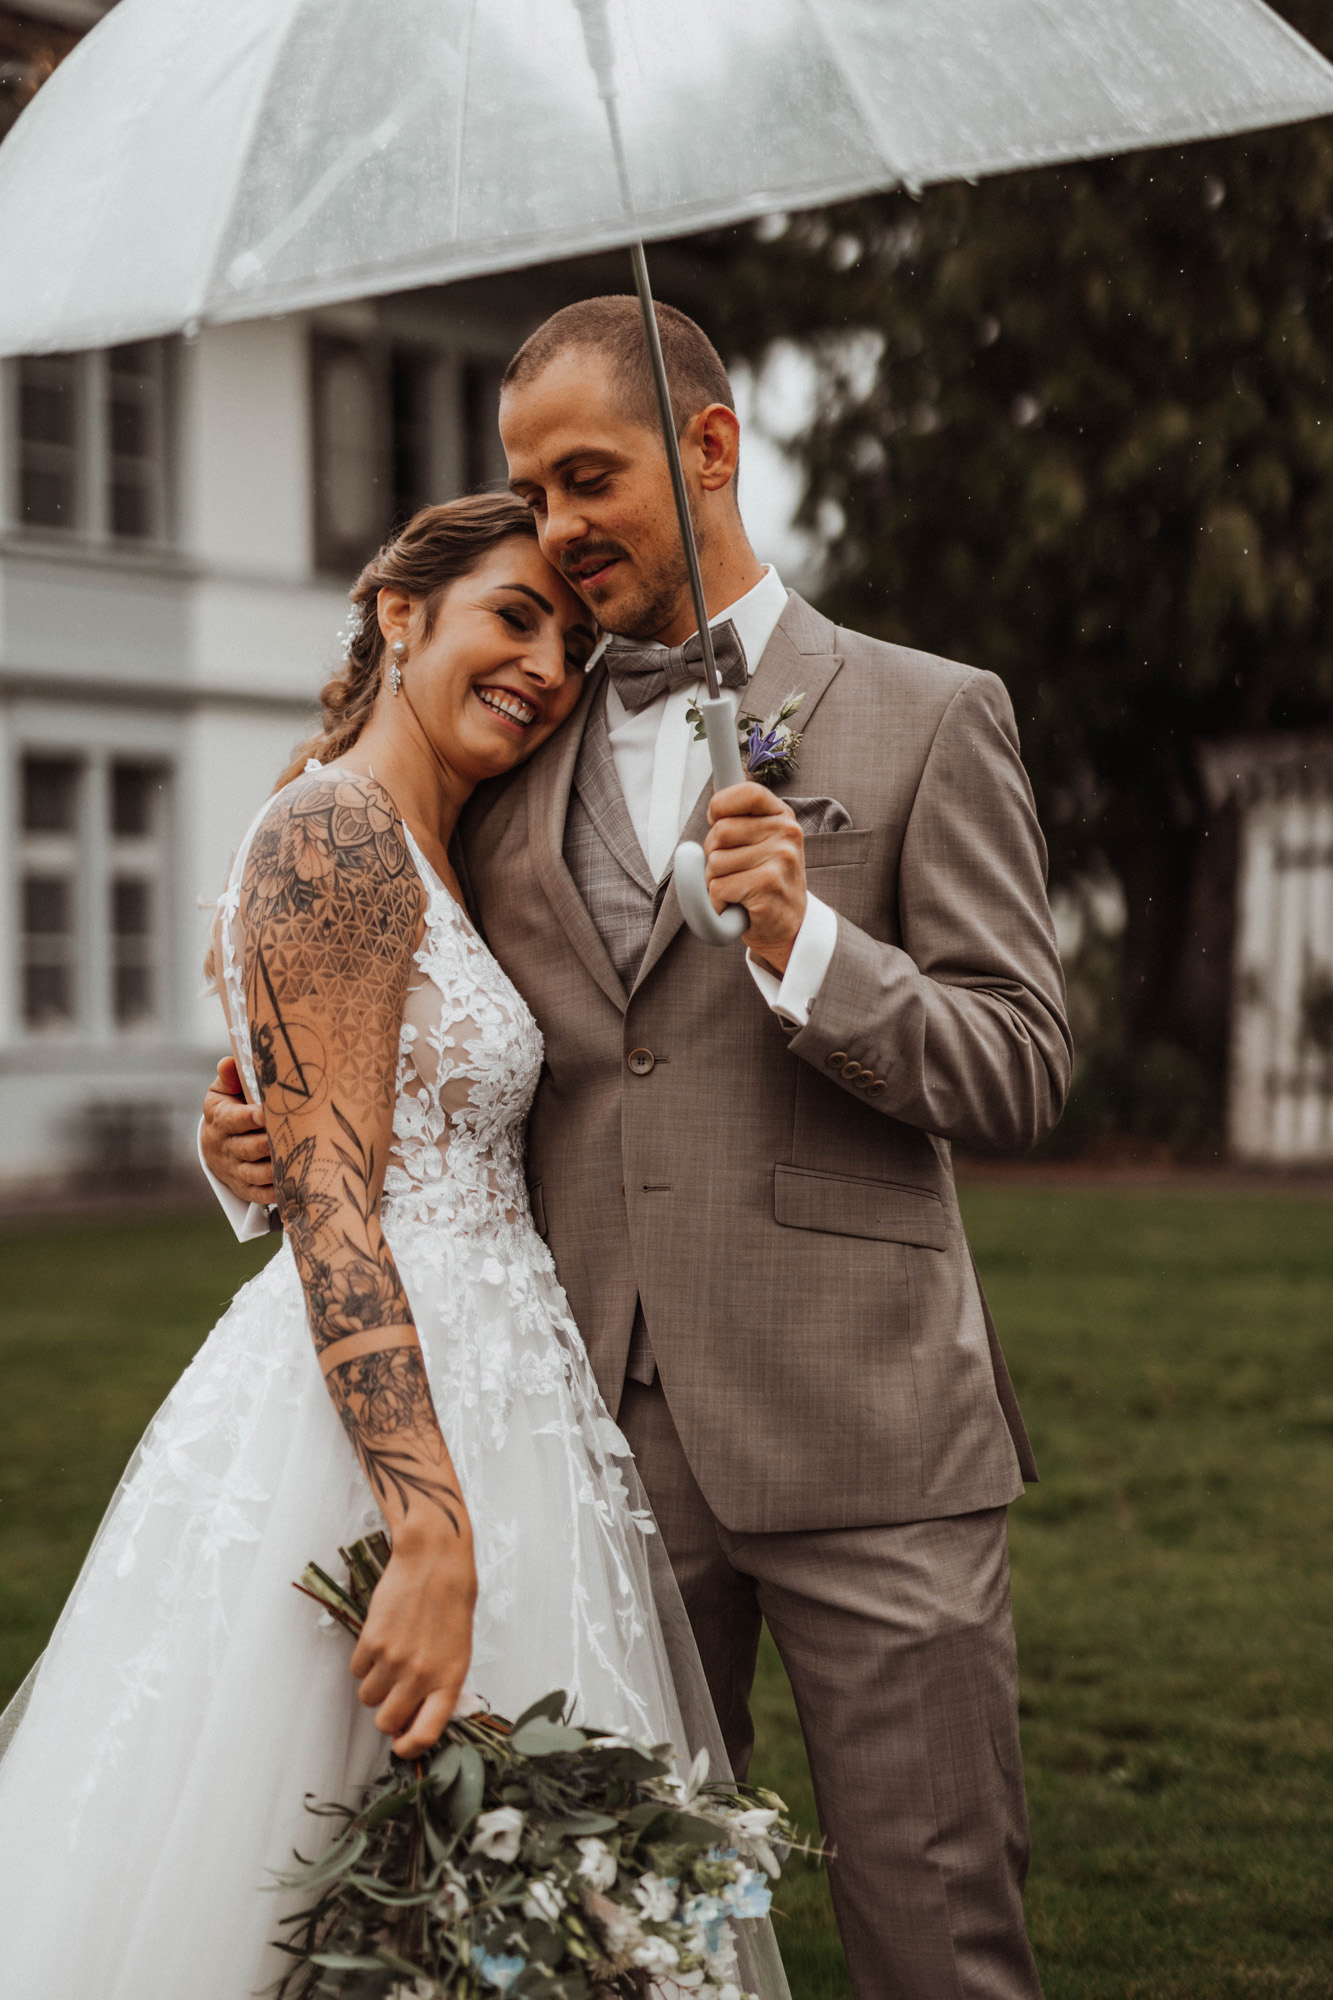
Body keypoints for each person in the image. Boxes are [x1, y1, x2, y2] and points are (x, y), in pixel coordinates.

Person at [204, 299, 1072, 1997]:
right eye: (530, 487)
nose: (556, 524)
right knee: (606, 1946)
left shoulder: (926, 714)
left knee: (939, 1931)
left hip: (866, 1436)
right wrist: (248, 1126)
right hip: (582, 1453)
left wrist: (812, 949)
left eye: (588, 477)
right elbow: (379, 999)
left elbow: (1022, 1069)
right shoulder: (510, 741)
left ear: (710, 447)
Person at [0, 495, 787, 2000]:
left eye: (569, 641)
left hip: (511, 1392)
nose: (546, 665)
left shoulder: (448, 841)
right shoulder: (333, 833)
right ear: (400, 613)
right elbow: (339, 1207)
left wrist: (243, 1140)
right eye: (514, 616)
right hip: (380, 1424)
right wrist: (424, 1527)